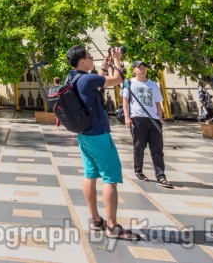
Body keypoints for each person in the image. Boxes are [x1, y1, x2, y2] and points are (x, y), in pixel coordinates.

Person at [65, 45, 139, 241]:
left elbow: (95, 86)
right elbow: (118, 79)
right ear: (82, 61)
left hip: (84, 135)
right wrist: (117, 59)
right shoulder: (88, 79)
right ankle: (112, 226)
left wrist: (104, 68)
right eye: (89, 57)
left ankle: (96, 219)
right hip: (99, 134)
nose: (92, 59)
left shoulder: (72, 79)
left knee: (90, 174)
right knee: (110, 178)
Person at [121, 61, 171, 188]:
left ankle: (161, 175)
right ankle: (138, 170)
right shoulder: (129, 83)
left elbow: (158, 104)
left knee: (157, 149)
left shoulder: (153, 85)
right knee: (139, 147)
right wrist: (127, 117)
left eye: (144, 68)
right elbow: (125, 102)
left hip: (153, 120)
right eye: (139, 68)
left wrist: (160, 119)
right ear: (134, 70)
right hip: (137, 119)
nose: (142, 70)